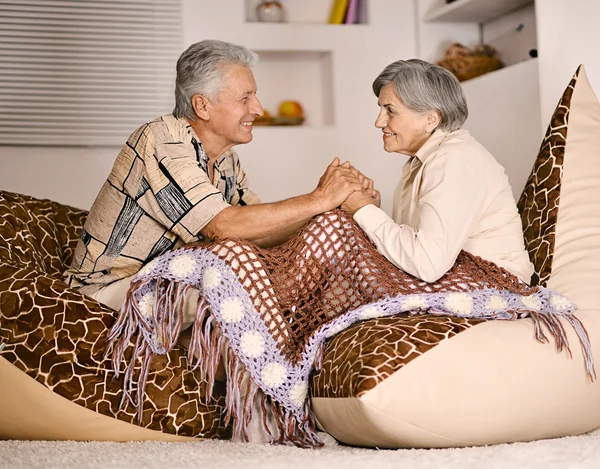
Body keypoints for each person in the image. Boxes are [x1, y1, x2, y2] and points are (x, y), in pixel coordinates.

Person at [64, 39, 373, 313]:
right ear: (202, 105)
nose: (259, 108)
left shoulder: (226, 160)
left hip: (164, 280)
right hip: (106, 293)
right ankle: (278, 373)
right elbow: (222, 226)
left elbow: (261, 232)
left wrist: (340, 206)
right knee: (235, 282)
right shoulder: (161, 141)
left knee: (255, 278)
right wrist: (319, 198)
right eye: (245, 98)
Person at [341, 59, 534, 285]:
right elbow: (414, 253)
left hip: (493, 287)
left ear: (431, 119)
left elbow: (427, 264)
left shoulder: (454, 160)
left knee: (332, 230)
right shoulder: (425, 161)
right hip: (462, 283)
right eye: (381, 109)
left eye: (390, 110)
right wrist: (371, 209)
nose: (378, 122)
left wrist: (363, 210)